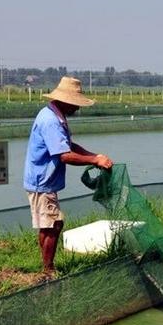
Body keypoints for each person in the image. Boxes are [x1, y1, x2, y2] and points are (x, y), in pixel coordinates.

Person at [23, 76, 113, 280]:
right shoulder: (50, 121)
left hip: (44, 180)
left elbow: (69, 146)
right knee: (54, 224)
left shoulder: (56, 117)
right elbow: (63, 155)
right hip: (41, 182)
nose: (77, 108)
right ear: (65, 100)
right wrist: (95, 160)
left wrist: (94, 157)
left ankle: (47, 267)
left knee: (49, 225)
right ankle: (48, 270)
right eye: (75, 104)